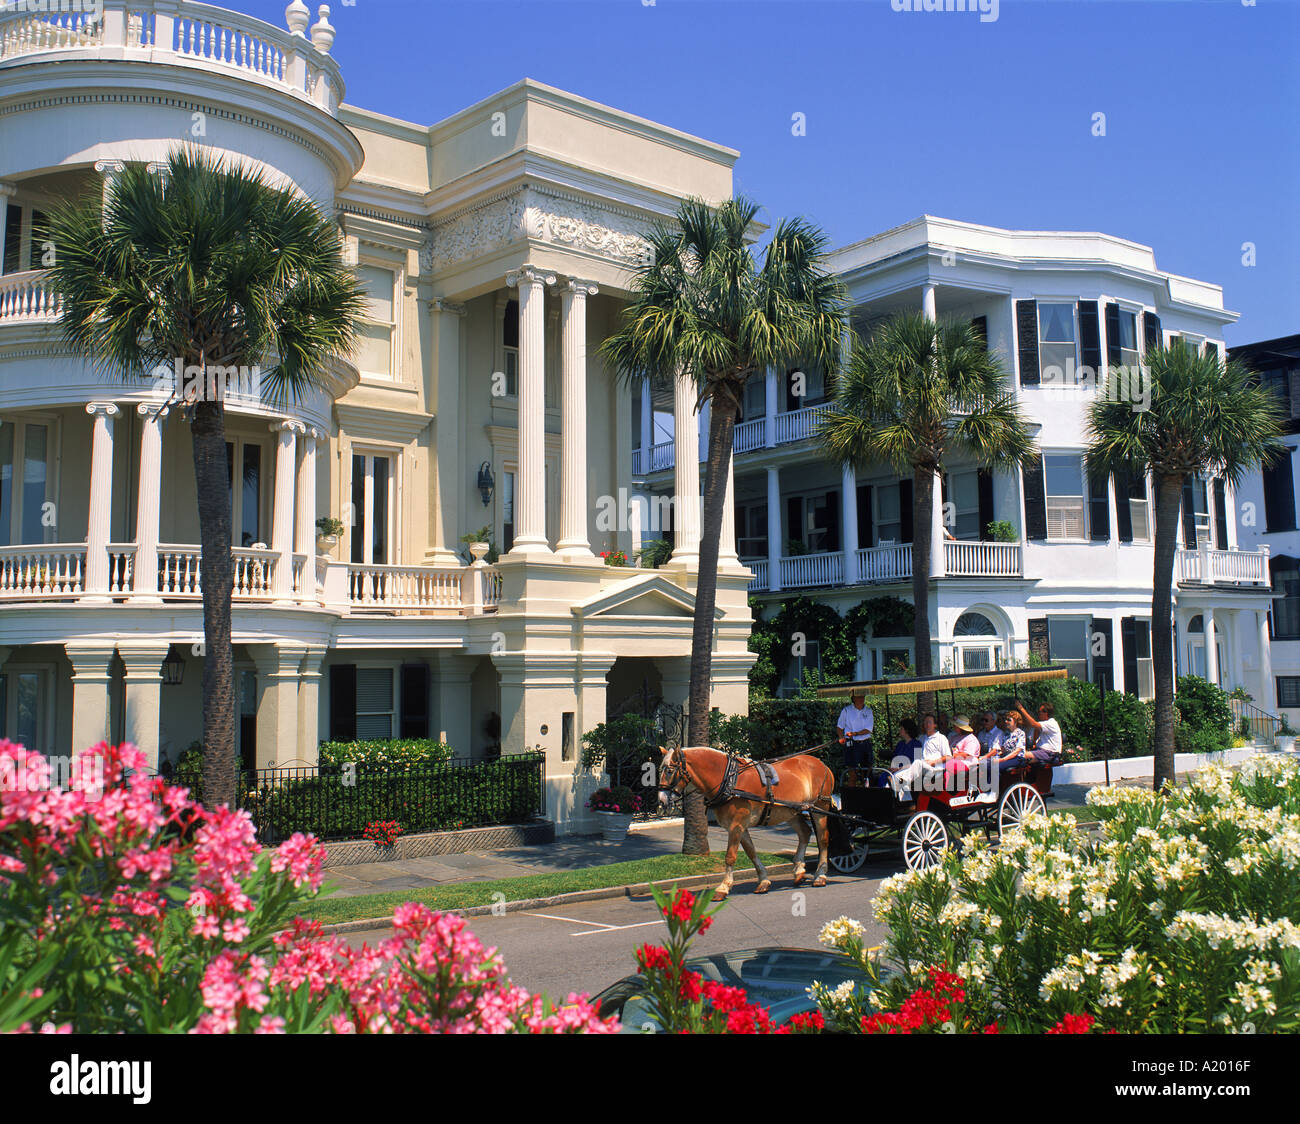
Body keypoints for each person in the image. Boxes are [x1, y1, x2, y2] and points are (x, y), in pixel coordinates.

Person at [890, 714, 948, 797]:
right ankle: (905, 801)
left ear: (935, 725)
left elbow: (948, 757)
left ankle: (901, 782)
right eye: (925, 722)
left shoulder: (941, 738)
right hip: (921, 767)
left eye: (929, 722)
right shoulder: (921, 738)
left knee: (917, 762)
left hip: (935, 770)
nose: (927, 724)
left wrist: (933, 762)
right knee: (898, 774)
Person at [1013, 700, 1063, 765]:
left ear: (1046, 713)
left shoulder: (1051, 723)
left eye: (1040, 712)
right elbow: (1036, 729)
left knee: (1020, 755)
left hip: (1049, 753)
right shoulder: (1043, 724)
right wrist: (1034, 743)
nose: (1038, 713)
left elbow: (1033, 724)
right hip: (1042, 752)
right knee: (1020, 758)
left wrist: (1021, 708)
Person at [836, 689, 875, 770]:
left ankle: (867, 782)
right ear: (853, 698)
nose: (861, 699)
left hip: (866, 744)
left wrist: (855, 734)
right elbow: (840, 727)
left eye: (863, 697)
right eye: (859, 697)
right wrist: (841, 738)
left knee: (868, 771)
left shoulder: (868, 711)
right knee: (852, 771)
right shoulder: (846, 710)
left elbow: (868, 729)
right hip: (852, 744)